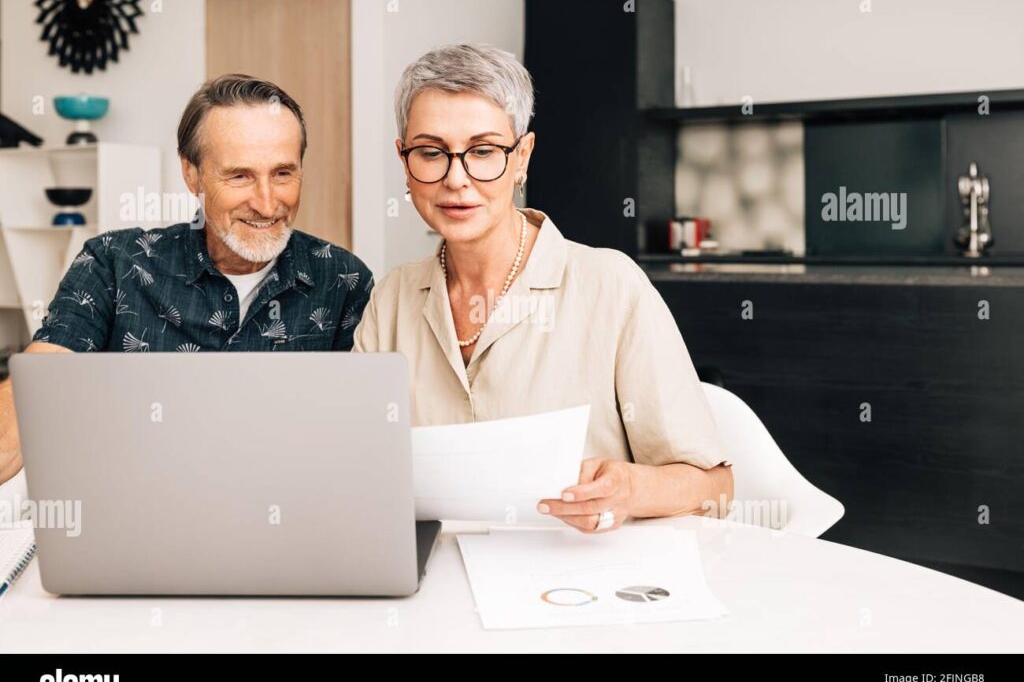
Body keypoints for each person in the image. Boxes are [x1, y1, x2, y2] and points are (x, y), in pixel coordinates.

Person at [354, 44, 733, 533]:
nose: (456, 179)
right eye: (431, 152)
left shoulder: (610, 286)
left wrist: (630, 490)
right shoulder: (390, 299)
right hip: (430, 585)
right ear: (403, 158)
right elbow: (361, 470)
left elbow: (716, 489)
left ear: (522, 158)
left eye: (484, 151)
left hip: (573, 587)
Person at [0, 74, 373, 485]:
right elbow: (39, 381)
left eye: (283, 173)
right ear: (192, 174)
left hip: (291, 517)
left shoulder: (344, 279)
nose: (268, 203)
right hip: (141, 520)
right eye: (240, 176)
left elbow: (363, 437)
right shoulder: (113, 264)